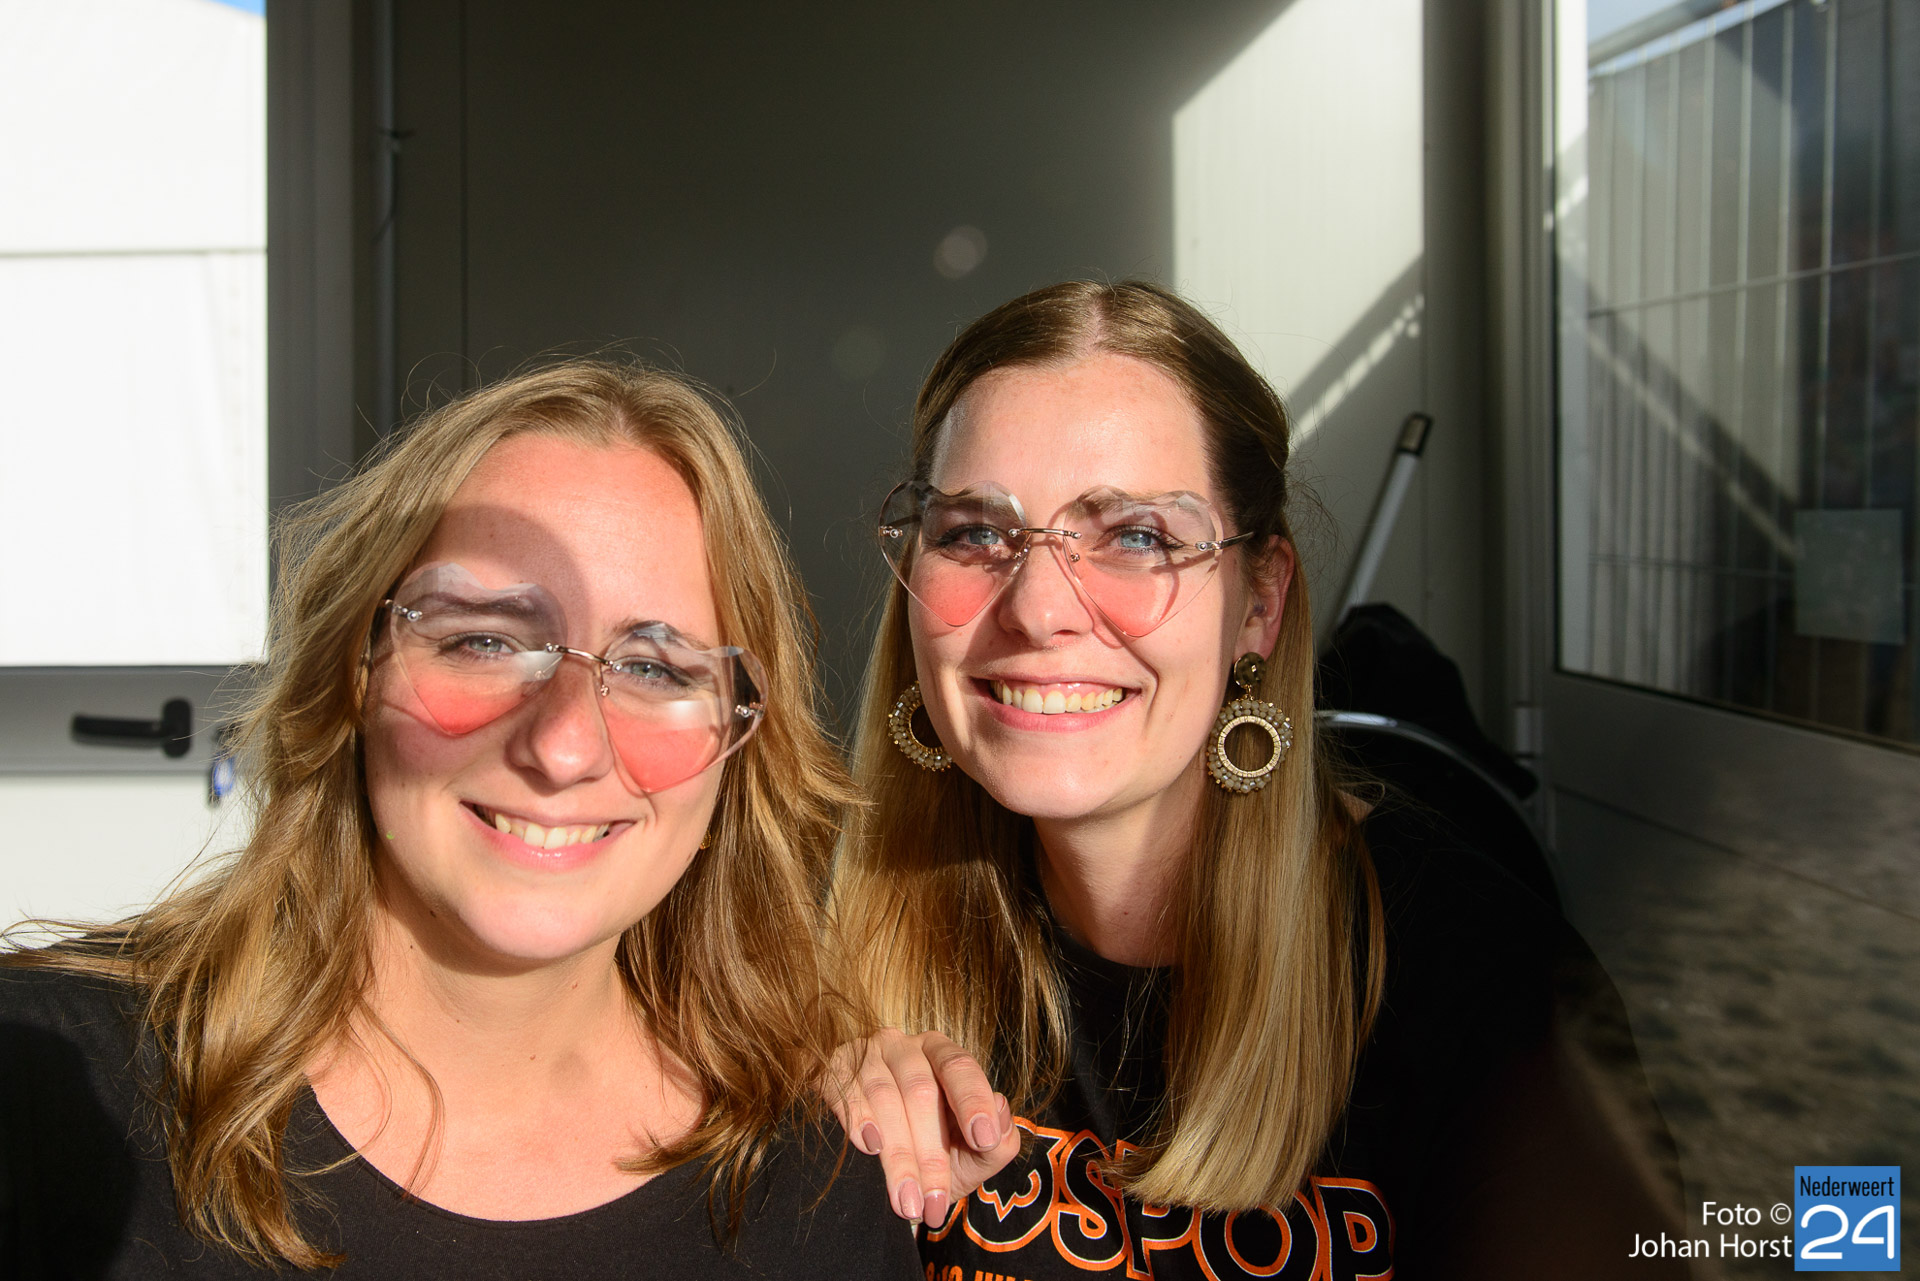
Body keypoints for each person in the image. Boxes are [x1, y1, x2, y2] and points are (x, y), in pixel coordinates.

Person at [828, 282, 1689, 1278]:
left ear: (1259, 603)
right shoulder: (840, 957)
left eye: (1138, 537)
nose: (1036, 609)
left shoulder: (1490, 990)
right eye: (976, 533)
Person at [0, 361, 921, 1277]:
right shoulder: (43, 1093)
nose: (563, 747)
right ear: (353, 674)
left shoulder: (832, 1181)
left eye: (654, 668)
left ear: (738, 748)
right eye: (484, 640)